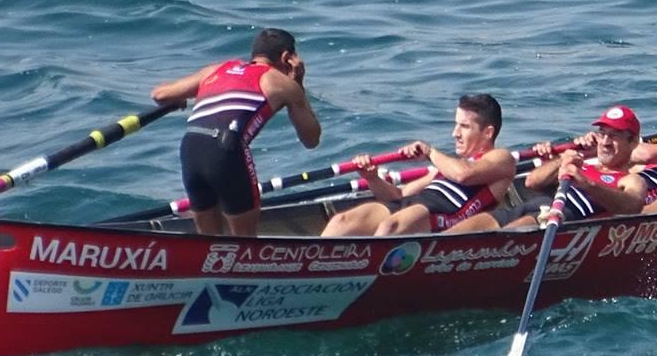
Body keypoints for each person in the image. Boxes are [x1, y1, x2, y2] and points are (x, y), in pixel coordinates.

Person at [151, 28, 322, 238]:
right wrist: (298, 83)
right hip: (226, 150)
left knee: (208, 239)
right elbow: (311, 139)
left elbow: (160, 94)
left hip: (191, 146)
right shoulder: (280, 83)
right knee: (244, 239)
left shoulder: (219, 69)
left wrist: (180, 98)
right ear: (287, 58)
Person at [321, 94, 516, 236]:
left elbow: (464, 175)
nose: (455, 133)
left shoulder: (501, 158)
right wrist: (371, 177)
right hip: (415, 203)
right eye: (455, 125)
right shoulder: (448, 165)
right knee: (342, 221)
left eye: (464, 127)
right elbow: (399, 195)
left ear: (488, 133)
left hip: (446, 213)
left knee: (390, 228)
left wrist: (430, 152)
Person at [463, 106, 654, 229]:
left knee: (506, 236)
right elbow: (532, 181)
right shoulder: (582, 163)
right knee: (471, 227)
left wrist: (586, 183)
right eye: (602, 133)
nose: (605, 141)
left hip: (562, 218)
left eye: (615, 135)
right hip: (536, 207)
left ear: (633, 142)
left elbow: (633, 206)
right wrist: (561, 159)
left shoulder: (630, 179)